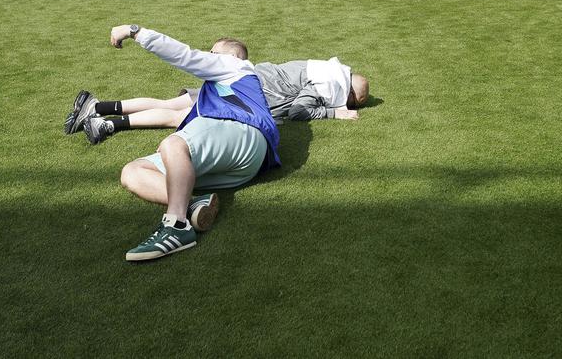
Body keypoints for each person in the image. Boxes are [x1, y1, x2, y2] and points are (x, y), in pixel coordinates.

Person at [98, 25, 280, 261]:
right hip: (243, 159)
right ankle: (195, 205)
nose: (210, 56)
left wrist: (136, 32)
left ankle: (176, 226)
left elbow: (185, 55)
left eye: (214, 53)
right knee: (132, 172)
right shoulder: (219, 88)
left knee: (172, 145)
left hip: (243, 134)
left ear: (232, 56)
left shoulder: (234, 66)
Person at [64, 57, 369, 135]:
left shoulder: (322, 68)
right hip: (243, 95)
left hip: (239, 81)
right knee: (177, 118)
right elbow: (298, 111)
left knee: (170, 105)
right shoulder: (326, 86)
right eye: (353, 102)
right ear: (350, 94)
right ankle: (107, 124)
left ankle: (98, 106)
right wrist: (332, 112)